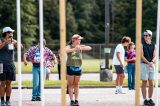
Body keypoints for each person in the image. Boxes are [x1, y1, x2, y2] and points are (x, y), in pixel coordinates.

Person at [66, 34, 92, 106]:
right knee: (70, 85)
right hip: (70, 67)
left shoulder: (80, 46)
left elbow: (89, 48)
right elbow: (65, 50)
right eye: (79, 39)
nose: (80, 40)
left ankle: (76, 100)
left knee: (76, 84)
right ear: (74, 40)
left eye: (80, 39)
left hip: (78, 67)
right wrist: (74, 49)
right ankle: (71, 101)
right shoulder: (69, 46)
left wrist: (80, 47)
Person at [0, 27, 22, 106]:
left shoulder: (13, 41)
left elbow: (21, 48)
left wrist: (16, 43)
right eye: (10, 32)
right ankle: (2, 101)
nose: (12, 34)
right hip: (1, 64)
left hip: (11, 64)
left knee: (9, 82)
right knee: (2, 83)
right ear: (6, 33)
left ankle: (8, 100)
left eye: (12, 32)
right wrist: (5, 42)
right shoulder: (1, 40)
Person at [141, 30, 156, 106]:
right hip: (144, 65)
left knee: (151, 82)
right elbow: (141, 56)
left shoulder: (154, 45)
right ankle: (144, 99)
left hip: (152, 65)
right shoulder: (142, 45)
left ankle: (150, 98)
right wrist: (148, 62)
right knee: (144, 82)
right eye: (144, 35)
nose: (145, 37)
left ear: (150, 36)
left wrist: (152, 62)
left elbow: (155, 55)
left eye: (147, 35)